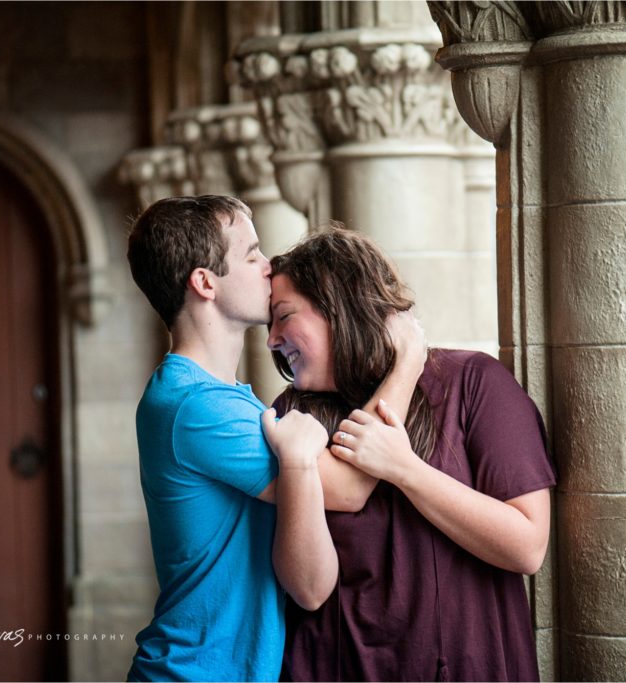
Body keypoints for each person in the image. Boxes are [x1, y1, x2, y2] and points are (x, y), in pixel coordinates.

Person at [124, 197, 422, 681]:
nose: (268, 267)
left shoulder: (215, 398)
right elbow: (348, 488)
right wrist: (408, 359)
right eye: (251, 254)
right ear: (205, 283)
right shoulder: (197, 408)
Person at [266, 227, 557, 681]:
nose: (271, 340)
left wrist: (406, 470)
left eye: (283, 317)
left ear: (338, 305)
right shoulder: (291, 418)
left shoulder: (475, 384)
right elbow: (305, 589)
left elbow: (527, 547)